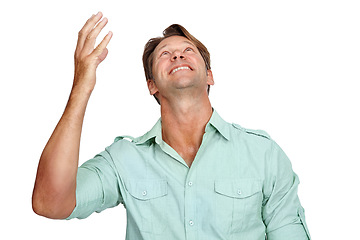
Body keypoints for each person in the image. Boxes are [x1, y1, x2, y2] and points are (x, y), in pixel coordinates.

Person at [32, 12, 311, 240]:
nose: (178, 56)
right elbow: (50, 202)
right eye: (165, 54)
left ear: (209, 76)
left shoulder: (263, 154)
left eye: (188, 51)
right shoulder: (124, 159)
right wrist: (82, 85)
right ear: (151, 85)